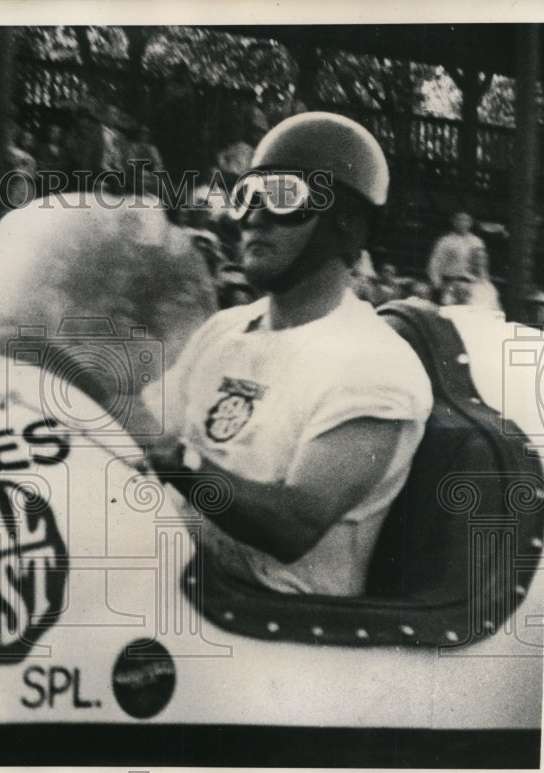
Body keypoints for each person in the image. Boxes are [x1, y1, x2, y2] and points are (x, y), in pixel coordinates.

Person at [145, 112, 433, 598]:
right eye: (248, 196)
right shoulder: (225, 329)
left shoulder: (375, 364)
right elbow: (147, 431)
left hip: (272, 630)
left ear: (347, 224)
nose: (255, 216)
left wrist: (181, 462)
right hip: (175, 585)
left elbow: (293, 524)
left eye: (283, 197)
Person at [426, 212, 491, 303]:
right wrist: (438, 285)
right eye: (459, 220)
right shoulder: (445, 241)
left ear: (470, 222)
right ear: (453, 222)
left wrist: (484, 282)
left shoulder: (477, 241)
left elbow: (482, 264)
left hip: (471, 284)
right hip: (450, 283)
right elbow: (434, 264)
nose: (463, 223)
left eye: (466, 220)